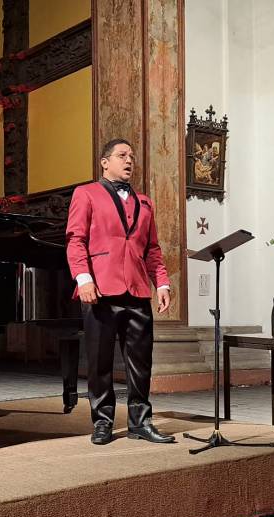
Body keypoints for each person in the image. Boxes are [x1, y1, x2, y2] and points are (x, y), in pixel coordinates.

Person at [66, 138, 175, 445]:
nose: (129, 160)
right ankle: (102, 422)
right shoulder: (86, 193)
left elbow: (152, 249)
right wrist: (83, 279)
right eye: (122, 155)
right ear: (105, 162)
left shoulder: (145, 203)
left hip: (137, 290)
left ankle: (140, 422)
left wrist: (162, 283)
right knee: (100, 361)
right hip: (100, 290)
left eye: (132, 156)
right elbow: (75, 240)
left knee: (141, 362)